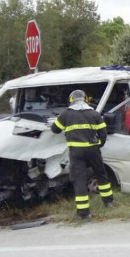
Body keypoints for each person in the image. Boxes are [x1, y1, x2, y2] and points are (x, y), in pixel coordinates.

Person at [51, 90, 113, 220]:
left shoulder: (65, 114)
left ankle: (84, 214)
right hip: (93, 150)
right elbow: (103, 133)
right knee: (101, 175)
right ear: (85, 99)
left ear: (71, 100)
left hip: (76, 152)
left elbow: (54, 129)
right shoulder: (94, 113)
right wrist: (98, 145)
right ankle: (109, 203)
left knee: (79, 180)